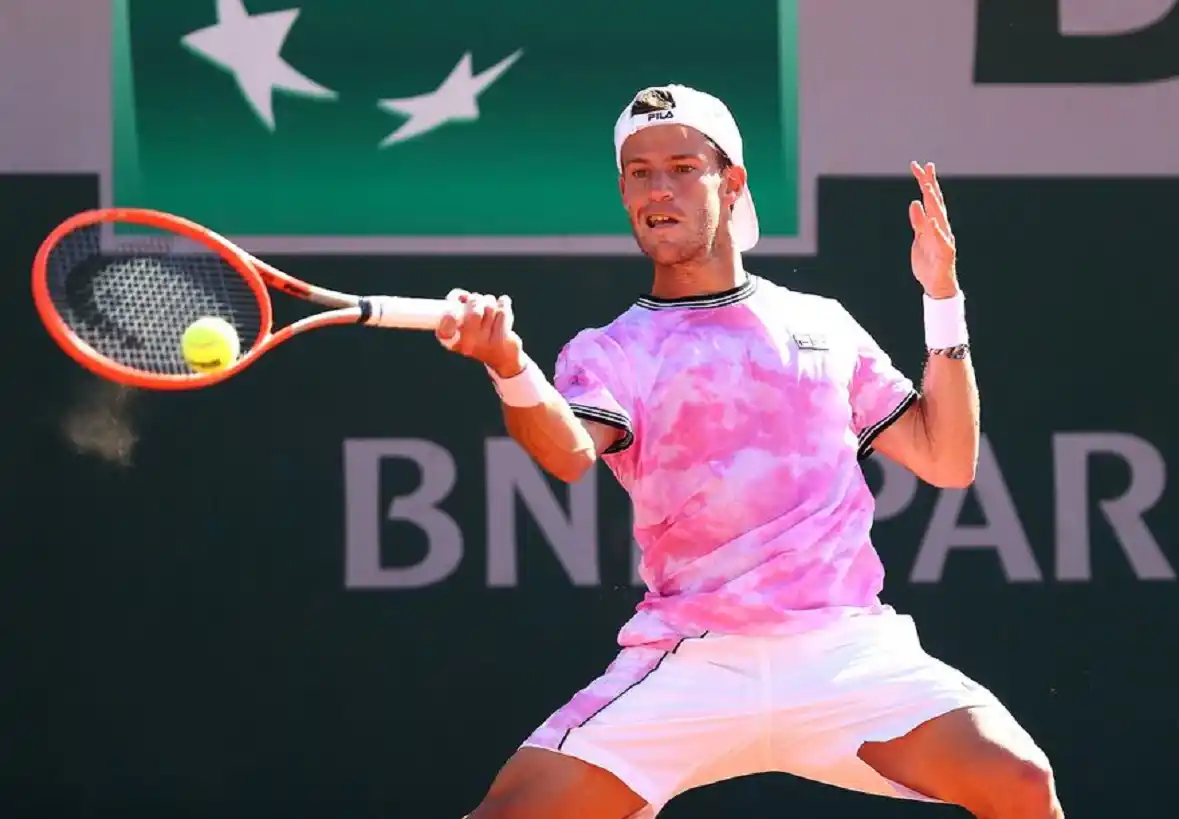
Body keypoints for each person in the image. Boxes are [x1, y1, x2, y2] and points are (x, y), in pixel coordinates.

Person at [436, 84, 1063, 819]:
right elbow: (570, 452)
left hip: (845, 654)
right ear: (623, 191)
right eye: (640, 173)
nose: (658, 190)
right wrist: (509, 365)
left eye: (681, 168)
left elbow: (946, 460)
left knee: (1019, 782)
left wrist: (941, 296)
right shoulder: (611, 350)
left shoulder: (822, 325)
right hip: (693, 659)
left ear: (730, 182)